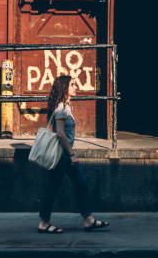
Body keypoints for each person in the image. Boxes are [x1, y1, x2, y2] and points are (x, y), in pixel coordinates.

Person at [37, 75, 110, 234]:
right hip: (62, 156)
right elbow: (61, 134)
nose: (76, 87)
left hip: (65, 154)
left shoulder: (66, 106)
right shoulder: (61, 108)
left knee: (80, 183)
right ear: (64, 88)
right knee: (54, 188)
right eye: (72, 84)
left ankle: (88, 220)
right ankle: (44, 223)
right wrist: (72, 154)